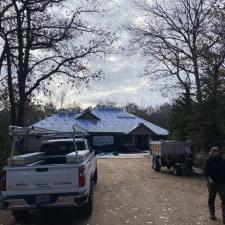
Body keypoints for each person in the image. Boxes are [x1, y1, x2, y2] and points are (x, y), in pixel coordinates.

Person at [203, 146, 225, 223]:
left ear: (219, 152)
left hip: (222, 184)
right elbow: (206, 172)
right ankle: (212, 214)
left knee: (224, 199)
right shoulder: (208, 161)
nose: (216, 153)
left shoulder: (223, 160)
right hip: (212, 184)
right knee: (211, 199)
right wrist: (209, 179)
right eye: (214, 151)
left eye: (217, 151)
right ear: (211, 153)